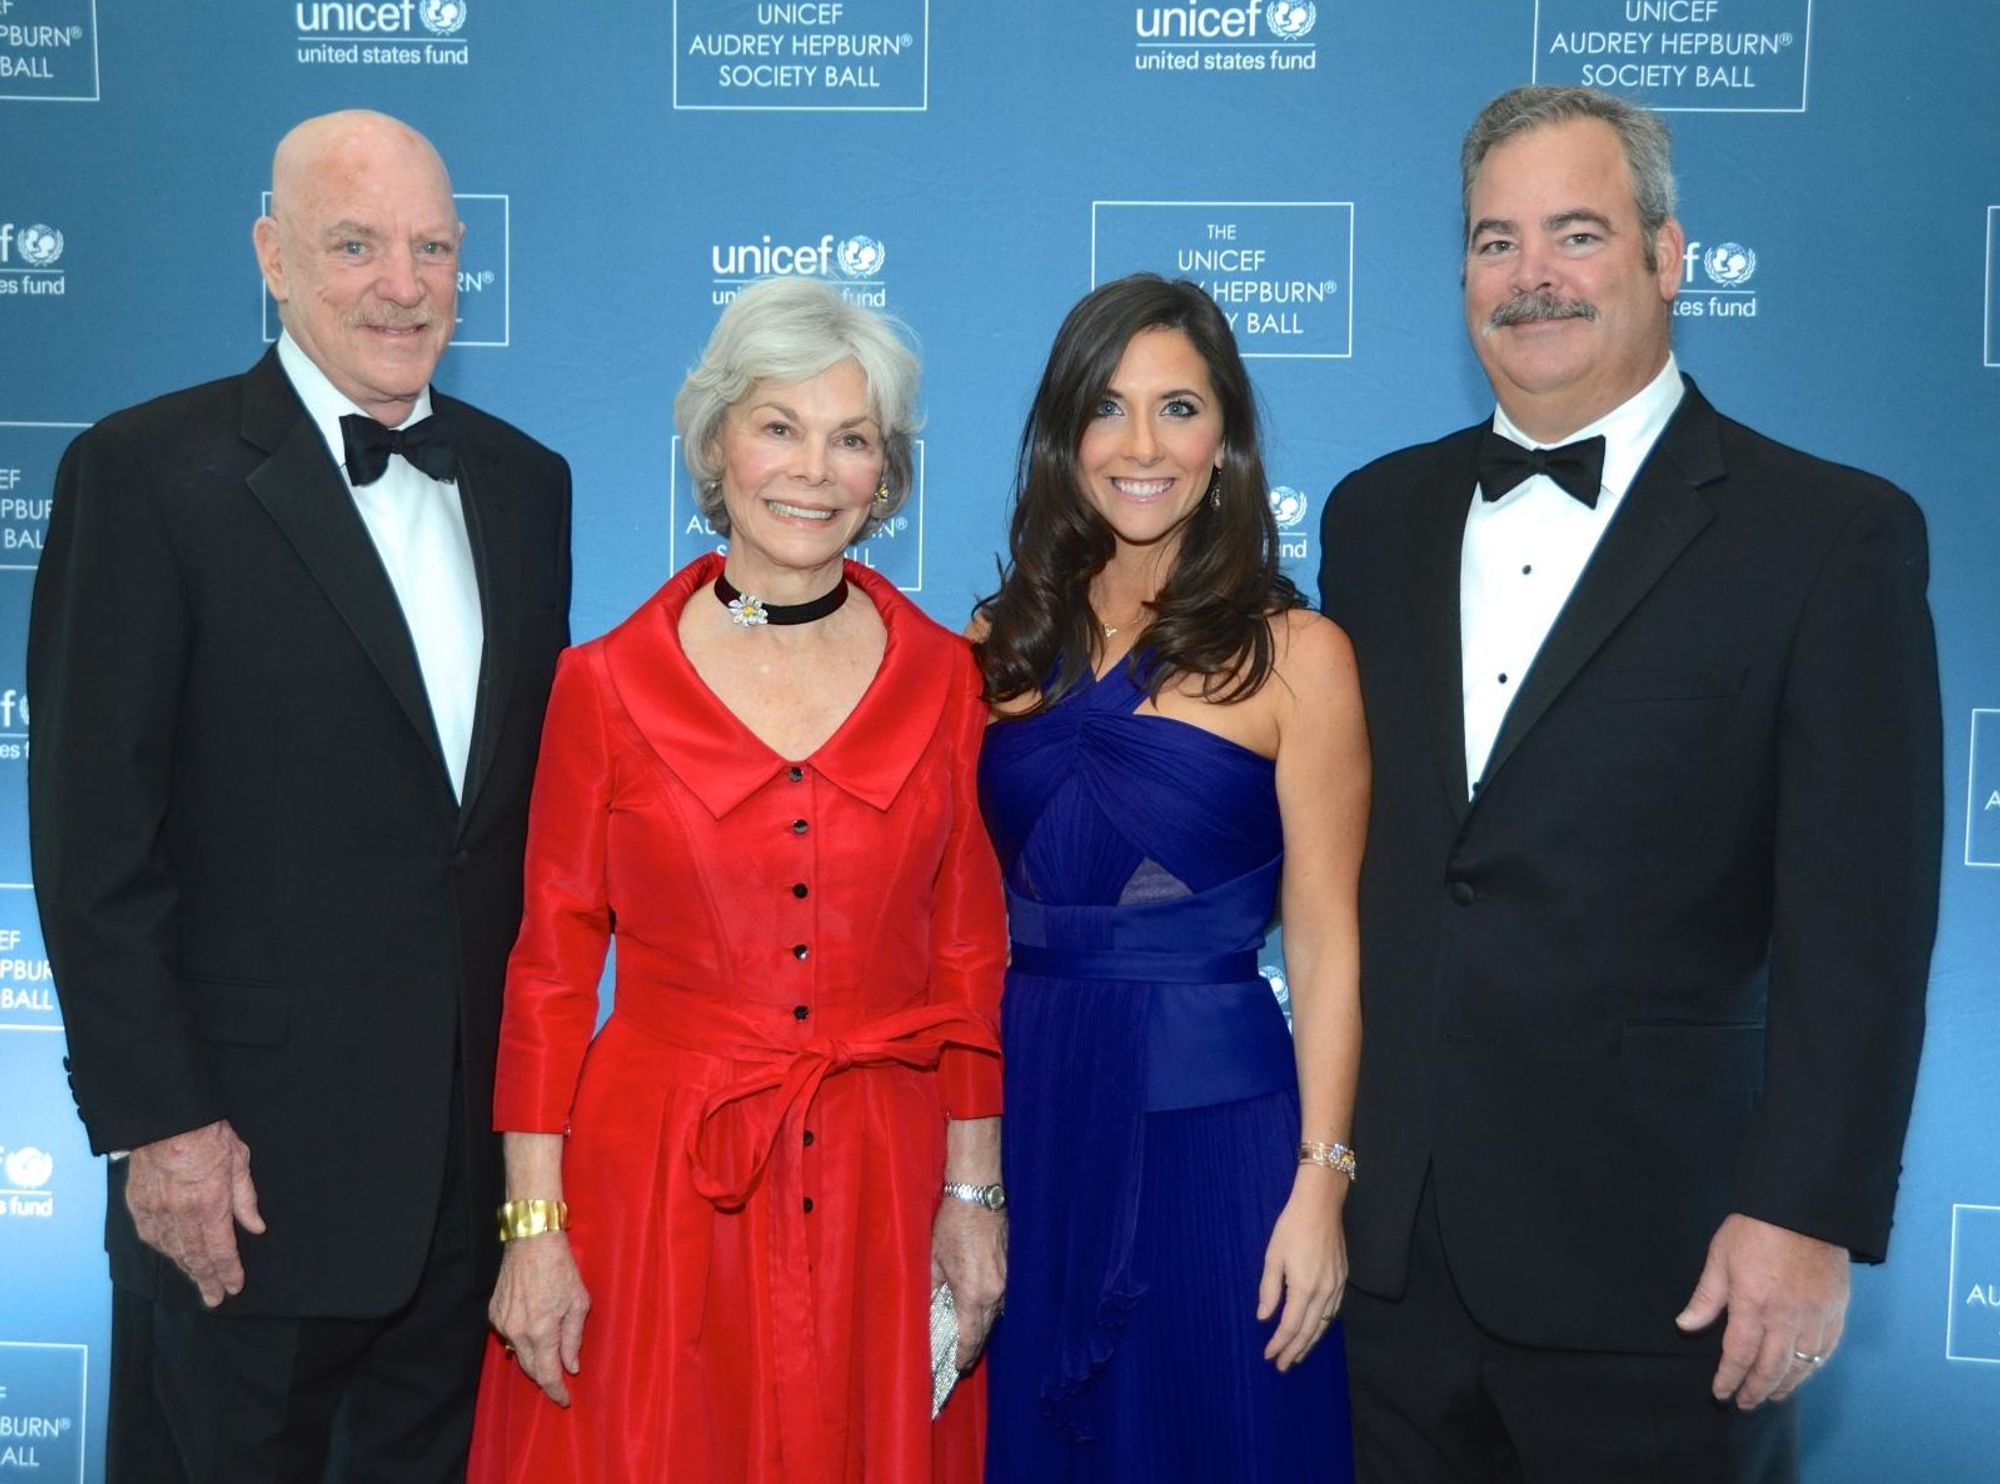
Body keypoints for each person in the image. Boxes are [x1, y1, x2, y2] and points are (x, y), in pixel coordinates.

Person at [1318, 84, 1941, 1483]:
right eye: (1494, 241)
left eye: (1576, 233)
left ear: (1669, 257)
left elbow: (1864, 925)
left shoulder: (1829, 535)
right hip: (1390, 1263)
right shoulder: (1373, 517)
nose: (1531, 275)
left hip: (1667, 1269)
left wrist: (1805, 1215)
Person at [27, 110, 573, 1481]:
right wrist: (161, 1127)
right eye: (356, 245)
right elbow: (94, 839)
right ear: (273, 257)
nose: (405, 283)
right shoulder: (144, 473)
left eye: (434, 248)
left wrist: (530, 1178)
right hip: (240, 1180)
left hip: (463, 1194)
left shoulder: (525, 485)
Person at [467, 275, 1007, 1484]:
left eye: (851, 437)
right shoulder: (602, 685)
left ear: (886, 473)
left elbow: (972, 960)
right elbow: (551, 972)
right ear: (715, 443)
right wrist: (534, 1226)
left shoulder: (946, 680)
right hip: (657, 1185)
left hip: (883, 1174)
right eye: (779, 425)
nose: (813, 468)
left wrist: (974, 1195)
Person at [976, 273, 1366, 1481]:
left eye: (1178, 408)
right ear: (1063, 439)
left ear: (1225, 442)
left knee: (1220, 1437)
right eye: (1107, 408)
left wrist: (1321, 1185)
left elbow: (1325, 944)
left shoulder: (1300, 654)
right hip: (1030, 1124)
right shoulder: (998, 645)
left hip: (1220, 1131)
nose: (1141, 446)